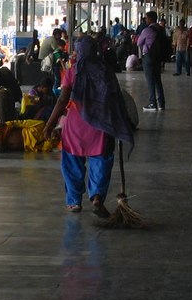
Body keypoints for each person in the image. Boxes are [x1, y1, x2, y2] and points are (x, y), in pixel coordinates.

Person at [44, 36, 136, 221]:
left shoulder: (73, 71)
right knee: (101, 161)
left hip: (75, 125)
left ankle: (74, 201)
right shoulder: (106, 71)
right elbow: (116, 99)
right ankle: (97, 197)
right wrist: (120, 123)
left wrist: (50, 124)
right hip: (100, 125)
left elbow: (62, 100)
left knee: (72, 162)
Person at [134, 10, 168, 111]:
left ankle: (152, 103)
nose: (146, 20)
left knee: (150, 81)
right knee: (157, 80)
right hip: (158, 57)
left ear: (150, 19)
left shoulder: (147, 30)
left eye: (147, 18)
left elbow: (138, 43)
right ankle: (161, 103)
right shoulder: (161, 29)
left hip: (148, 56)